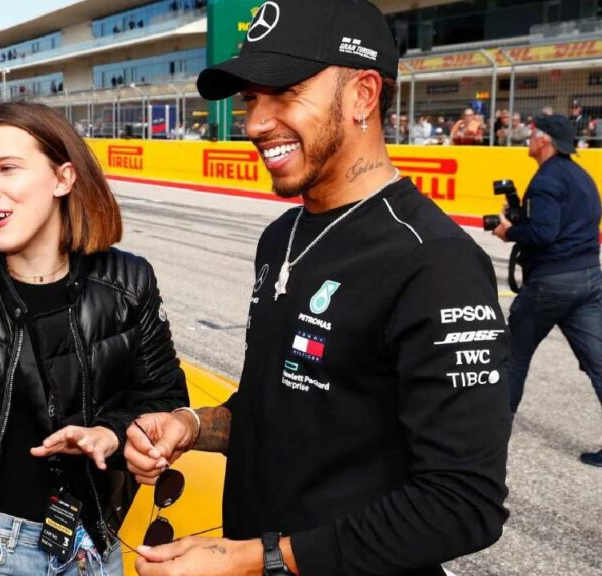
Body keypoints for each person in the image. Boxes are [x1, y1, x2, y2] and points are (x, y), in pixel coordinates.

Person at [126, 1, 511, 574]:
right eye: (252, 98)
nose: (255, 123)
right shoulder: (281, 236)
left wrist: (259, 560)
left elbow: (464, 504)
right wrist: (190, 426)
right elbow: (281, 412)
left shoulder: (434, 263)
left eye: (285, 92)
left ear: (362, 94)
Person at [0, 101, 189, 576]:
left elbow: (165, 401)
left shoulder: (130, 281)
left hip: (94, 543)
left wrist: (112, 434)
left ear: (63, 179)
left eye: (7, 168)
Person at [492, 114, 602, 468]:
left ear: (545, 141)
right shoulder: (582, 177)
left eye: (534, 132)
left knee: (513, 355)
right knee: (600, 362)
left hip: (552, 283)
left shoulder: (546, 180)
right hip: (588, 277)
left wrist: (509, 231)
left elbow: (543, 234)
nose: (529, 136)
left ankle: (490, 439)